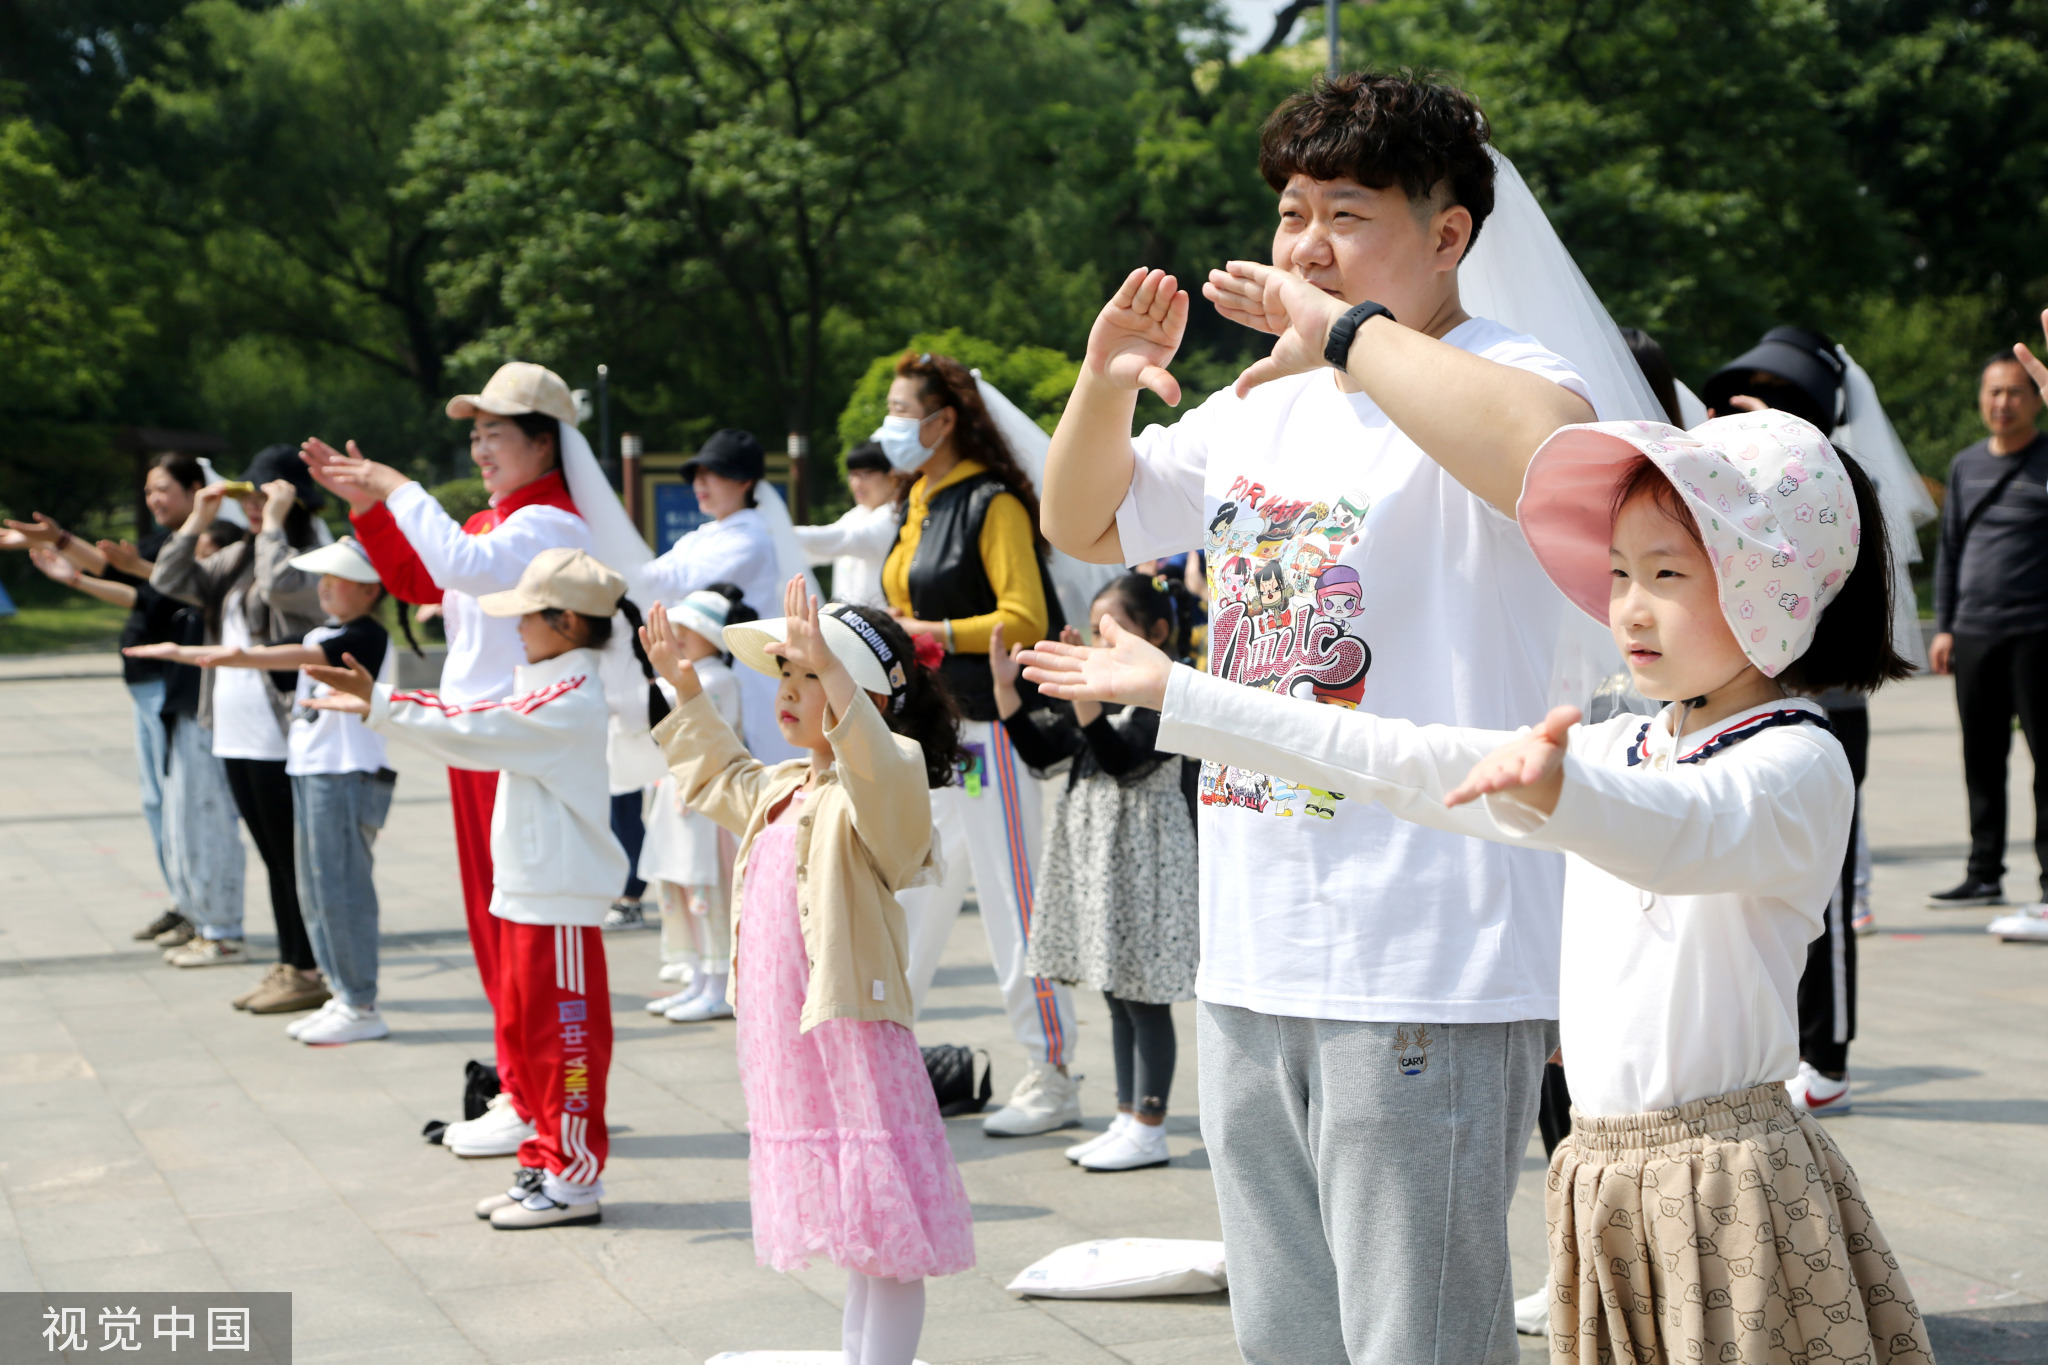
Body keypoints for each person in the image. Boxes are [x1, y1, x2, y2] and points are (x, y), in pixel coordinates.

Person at [1023, 409, 1932, 1365]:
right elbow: (1396, 755)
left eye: (1668, 575)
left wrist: (1556, 792)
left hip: (1727, 1190)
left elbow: (1673, 833)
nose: (1629, 606)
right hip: (1601, 1174)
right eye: (1619, 572)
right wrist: (1182, 691)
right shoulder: (1623, 739)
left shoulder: (1794, 763)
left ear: (1773, 588)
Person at [1038, 71, 1595, 1361]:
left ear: (1446, 237)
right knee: (1287, 1336)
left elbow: (1542, 457)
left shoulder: (1507, 369)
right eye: (1294, 211)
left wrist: (1343, 335)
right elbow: (1084, 520)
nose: (1305, 245)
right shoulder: (1262, 406)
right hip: (1251, 945)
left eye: (1347, 212)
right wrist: (1103, 380)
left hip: (1425, 958)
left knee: (1421, 1337)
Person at [644, 578, 974, 1365]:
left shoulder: (886, 788)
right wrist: (684, 691)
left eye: (809, 679)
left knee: (887, 1237)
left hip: (853, 1032)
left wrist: (835, 680)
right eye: (785, 679)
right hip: (797, 1040)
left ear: (861, 698)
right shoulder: (789, 786)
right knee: (859, 1236)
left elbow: (884, 772)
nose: (788, 695)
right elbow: (723, 775)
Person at [301, 361, 613, 1157]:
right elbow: (418, 578)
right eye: (473, 435)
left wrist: (400, 488)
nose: (479, 449)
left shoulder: (551, 526)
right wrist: (371, 508)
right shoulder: (493, 523)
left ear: (546, 443)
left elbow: (458, 570)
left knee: (515, 928)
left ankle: (534, 1093)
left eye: (494, 434)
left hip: (511, 739)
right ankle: (521, 1085)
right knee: (491, 925)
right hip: (478, 737)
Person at [309, 547, 627, 1228]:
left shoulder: (568, 698)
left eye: (525, 616)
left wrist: (383, 702)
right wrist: (385, 706)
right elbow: (473, 724)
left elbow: (477, 728)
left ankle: (573, 1176)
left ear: (567, 621)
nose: (514, 627)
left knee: (563, 1041)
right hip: (530, 891)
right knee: (527, 1031)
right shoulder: (549, 684)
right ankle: (546, 1161)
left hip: (557, 899)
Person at [874, 348, 1079, 1138]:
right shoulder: (916, 498)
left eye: (900, 411)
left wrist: (929, 632)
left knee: (1013, 903)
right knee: (908, 901)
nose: (891, 426)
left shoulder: (991, 503)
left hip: (988, 735)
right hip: (923, 734)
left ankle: (1051, 1070)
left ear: (943, 419)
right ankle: (887, 1062)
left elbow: (1023, 616)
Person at [128, 537, 411, 1044]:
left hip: (346, 776)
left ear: (371, 591)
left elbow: (288, 656)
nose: (325, 587)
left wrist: (208, 654)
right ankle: (342, 995)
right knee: (315, 890)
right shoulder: (330, 629)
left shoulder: (364, 636)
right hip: (312, 773)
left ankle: (361, 1001)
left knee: (341, 891)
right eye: (323, 577)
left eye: (339, 578)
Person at [990, 572, 1200, 1173]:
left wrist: (1084, 703)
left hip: (1146, 863)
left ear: (1157, 633)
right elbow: (1043, 752)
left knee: (1143, 996)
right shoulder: (1102, 702)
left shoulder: (1169, 696)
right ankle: (1126, 1115)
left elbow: (1122, 759)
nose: (1102, 648)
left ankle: (1151, 1123)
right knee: (1115, 992)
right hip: (1102, 863)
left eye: (1115, 634)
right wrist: (1008, 693)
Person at [150, 449, 330, 1013]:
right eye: (246, 497)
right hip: (234, 731)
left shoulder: (311, 557)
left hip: (283, 733)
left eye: (264, 496)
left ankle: (307, 968)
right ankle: (291, 964)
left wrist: (274, 524)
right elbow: (169, 578)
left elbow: (281, 589)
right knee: (273, 857)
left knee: (290, 859)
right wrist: (197, 519)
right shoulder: (236, 557)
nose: (252, 507)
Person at [2, 454, 204, 942]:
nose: (154, 498)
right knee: (156, 801)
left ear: (197, 489)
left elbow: (142, 589)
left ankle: (201, 907)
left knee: (178, 803)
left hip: (168, 682)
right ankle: (183, 901)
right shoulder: (165, 541)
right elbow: (122, 574)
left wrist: (67, 553)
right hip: (144, 683)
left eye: (164, 489)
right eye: (150, 490)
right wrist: (58, 544)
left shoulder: (201, 543)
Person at [1930, 333, 2048, 942]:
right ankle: (1983, 873)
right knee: (1981, 759)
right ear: (1982, 398)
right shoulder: (1967, 464)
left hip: (2037, 634)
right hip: (1975, 633)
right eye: (1994, 391)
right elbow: (1950, 549)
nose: (2003, 403)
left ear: (2036, 400)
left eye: (2015, 393)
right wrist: (1945, 623)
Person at [640, 429, 796, 765]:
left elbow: (672, 581)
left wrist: (618, 567)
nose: (700, 482)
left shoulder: (751, 539)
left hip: (743, 675)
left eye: (713, 473)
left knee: (745, 773)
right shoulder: (703, 536)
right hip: (704, 672)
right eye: (697, 474)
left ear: (744, 481)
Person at [639, 584, 754, 1021]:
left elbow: (696, 728)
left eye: (692, 626)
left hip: (706, 799)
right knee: (681, 887)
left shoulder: (718, 679)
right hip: (680, 792)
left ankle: (718, 984)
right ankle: (698, 978)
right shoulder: (692, 676)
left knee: (709, 888)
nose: (682, 633)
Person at [793, 442, 902, 608]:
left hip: (880, 626)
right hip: (847, 625)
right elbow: (819, 551)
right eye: (852, 474)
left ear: (892, 475)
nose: (856, 483)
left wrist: (784, 534)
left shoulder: (895, 515)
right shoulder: (857, 514)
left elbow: (847, 539)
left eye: (865, 474)